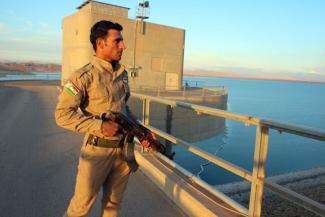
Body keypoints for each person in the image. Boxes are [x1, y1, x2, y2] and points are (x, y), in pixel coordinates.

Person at [55, 20, 151, 217]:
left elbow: (124, 108)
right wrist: (99, 124)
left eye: (122, 41)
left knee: (113, 206)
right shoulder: (83, 77)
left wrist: (142, 131)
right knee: (80, 208)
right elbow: (62, 115)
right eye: (117, 41)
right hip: (96, 152)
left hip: (123, 150)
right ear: (100, 43)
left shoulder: (122, 75)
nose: (123, 46)